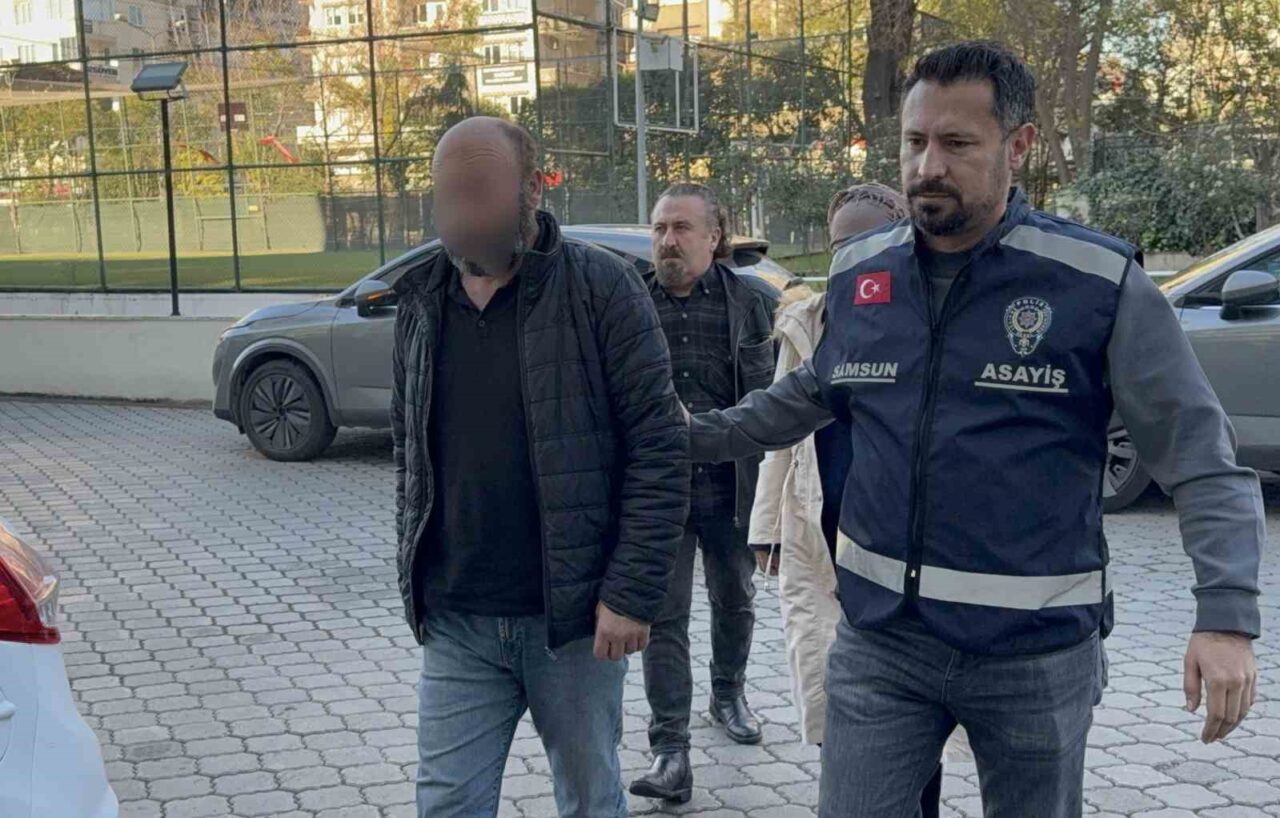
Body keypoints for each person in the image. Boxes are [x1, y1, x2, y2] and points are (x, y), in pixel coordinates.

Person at [689, 41, 1263, 818]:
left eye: (957, 143)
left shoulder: (1096, 283)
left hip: (1035, 659)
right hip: (882, 646)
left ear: (1017, 146)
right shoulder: (863, 271)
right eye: (915, 141)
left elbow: (1200, 457)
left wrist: (1225, 619)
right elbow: (812, 392)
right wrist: (692, 434)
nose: (928, 166)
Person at [391, 117, 690, 818]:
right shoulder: (420, 300)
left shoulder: (603, 289)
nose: (461, 216)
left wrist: (631, 593)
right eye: (448, 196)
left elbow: (659, 446)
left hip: (576, 624)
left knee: (590, 800)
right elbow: (409, 449)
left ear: (532, 190)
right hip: (458, 620)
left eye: (479, 194)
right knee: (446, 805)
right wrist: (415, 573)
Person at [750, 184, 951, 818]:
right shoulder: (807, 325)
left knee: (911, 717)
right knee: (833, 699)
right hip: (818, 540)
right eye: (840, 244)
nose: (852, 257)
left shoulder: (926, 317)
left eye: (868, 241)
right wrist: (766, 526)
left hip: (901, 550)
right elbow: (779, 429)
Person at [629, 182, 778, 804]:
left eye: (681, 228)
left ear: (714, 237)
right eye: (660, 228)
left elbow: (773, 397)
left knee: (734, 597)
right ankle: (670, 748)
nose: (667, 240)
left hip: (730, 482)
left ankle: (728, 694)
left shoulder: (752, 303)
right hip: (655, 488)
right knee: (662, 616)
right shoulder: (630, 300)